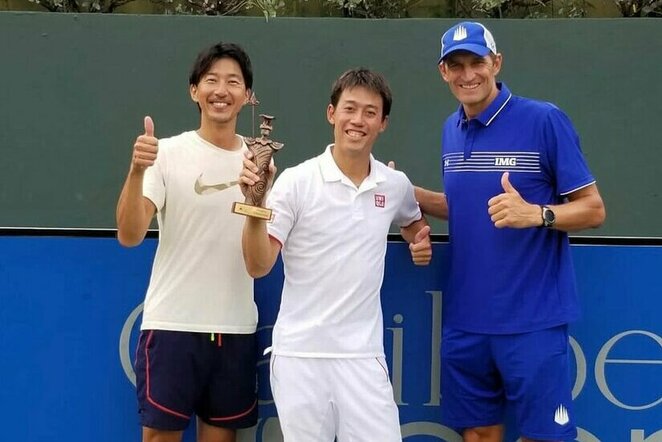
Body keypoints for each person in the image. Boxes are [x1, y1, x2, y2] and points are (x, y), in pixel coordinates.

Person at [414, 22, 606, 442]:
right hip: (466, 321)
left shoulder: (544, 119)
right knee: (479, 435)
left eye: (477, 62)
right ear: (443, 73)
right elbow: (466, 208)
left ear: (496, 63)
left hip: (532, 321)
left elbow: (593, 209)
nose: (468, 74)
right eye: (456, 65)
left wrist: (538, 214)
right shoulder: (451, 129)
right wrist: (403, 193)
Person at [239, 68, 432, 441]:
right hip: (300, 358)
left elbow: (411, 219)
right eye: (350, 109)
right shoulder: (296, 182)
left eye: (370, 112)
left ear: (383, 123)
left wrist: (417, 240)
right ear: (332, 114)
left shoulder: (394, 186)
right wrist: (254, 205)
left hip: (363, 360)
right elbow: (258, 264)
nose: (358, 121)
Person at [116, 42, 258, 442]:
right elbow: (130, 235)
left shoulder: (260, 163)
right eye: (211, 80)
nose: (221, 90)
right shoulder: (166, 154)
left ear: (247, 97)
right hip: (172, 326)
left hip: (235, 329)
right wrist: (136, 170)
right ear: (194, 90)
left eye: (233, 82)